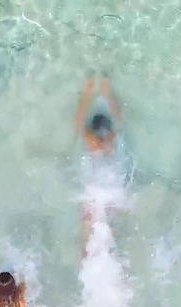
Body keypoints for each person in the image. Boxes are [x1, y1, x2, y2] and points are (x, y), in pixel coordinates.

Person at [75, 75, 123, 259]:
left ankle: (94, 259)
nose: (101, 144)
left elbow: (80, 123)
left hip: (103, 190)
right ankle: (86, 260)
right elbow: (79, 123)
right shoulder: (91, 147)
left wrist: (101, 93)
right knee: (89, 224)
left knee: (106, 223)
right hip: (95, 190)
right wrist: (88, 94)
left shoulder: (107, 146)